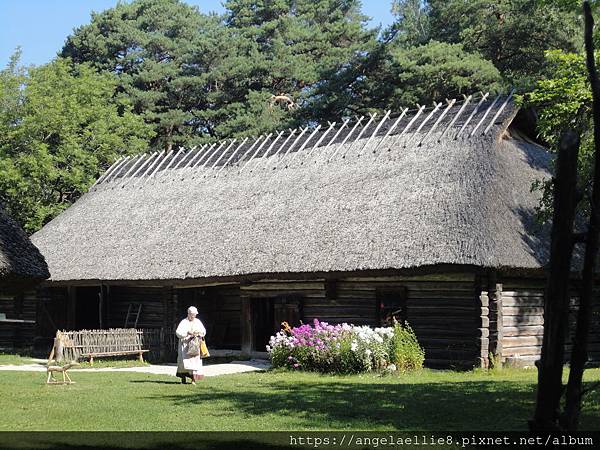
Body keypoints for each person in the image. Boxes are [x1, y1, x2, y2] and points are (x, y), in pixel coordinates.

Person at [175, 306, 206, 385]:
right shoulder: (183, 322)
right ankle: (183, 378)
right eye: (192, 314)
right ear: (188, 314)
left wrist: (198, 333)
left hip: (194, 345)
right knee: (183, 362)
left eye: (195, 314)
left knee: (195, 362)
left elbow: (203, 331)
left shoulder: (198, 322)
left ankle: (193, 379)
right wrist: (187, 333)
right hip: (184, 346)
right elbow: (178, 333)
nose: (193, 316)